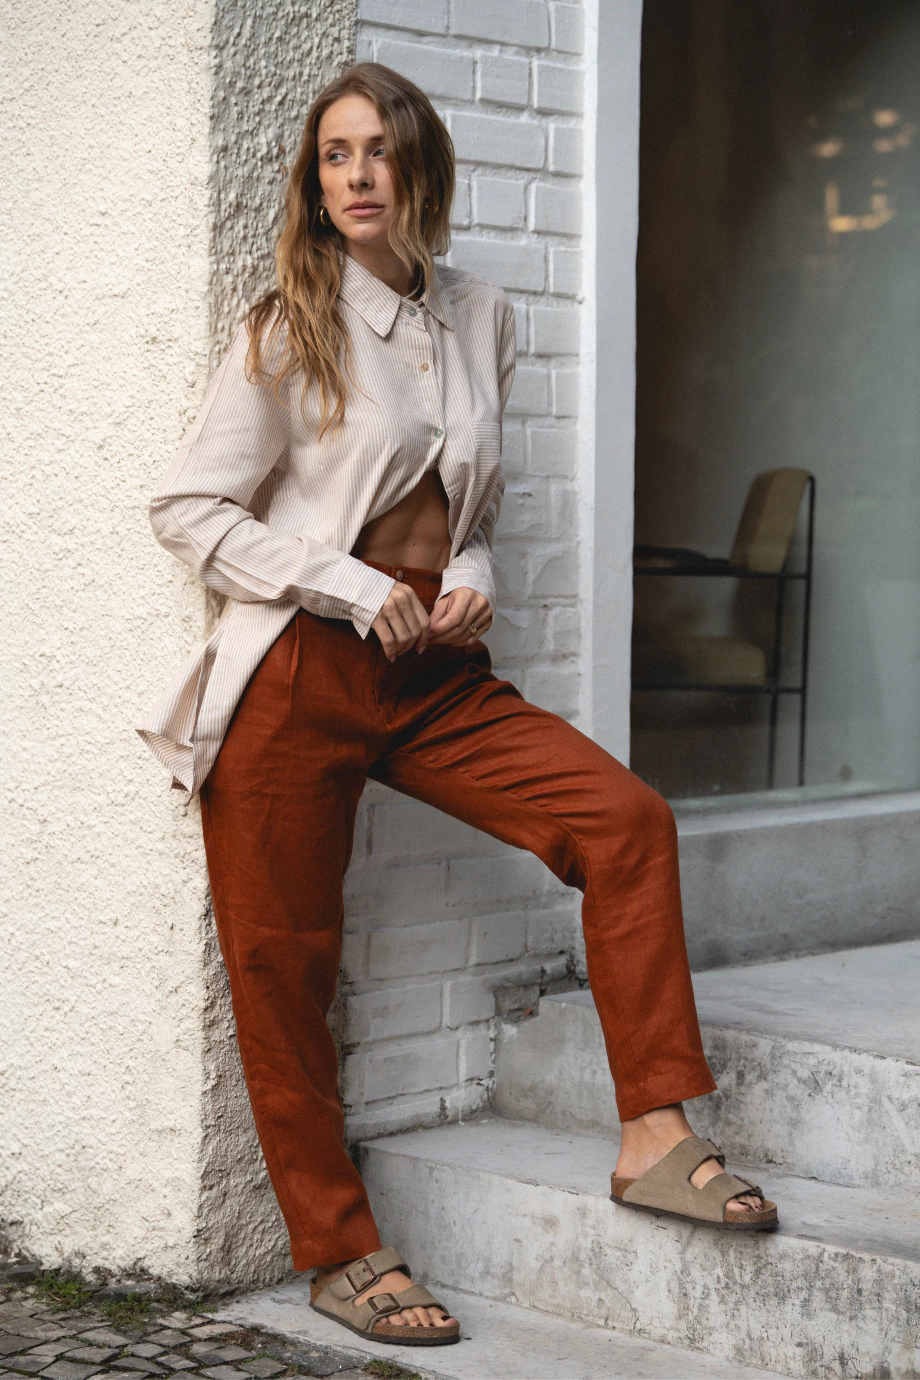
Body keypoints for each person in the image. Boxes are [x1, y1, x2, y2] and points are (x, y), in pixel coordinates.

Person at [137, 62, 777, 1350]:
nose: (356, 175)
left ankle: (653, 1134)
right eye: (334, 155)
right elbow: (188, 510)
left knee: (625, 821)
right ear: (314, 182)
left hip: (433, 670)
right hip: (301, 671)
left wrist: (473, 573)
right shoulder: (291, 323)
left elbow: (468, 502)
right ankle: (339, 1249)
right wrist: (345, 582)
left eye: (378, 150)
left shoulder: (483, 314)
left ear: (419, 165)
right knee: (283, 965)